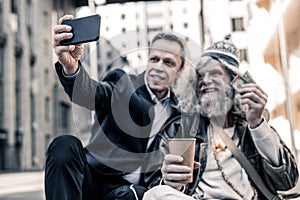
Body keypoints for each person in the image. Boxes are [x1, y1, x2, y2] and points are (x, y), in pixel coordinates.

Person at [45, 14, 188, 200]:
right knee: (64, 145)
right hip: (94, 181)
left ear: (180, 70)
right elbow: (92, 94)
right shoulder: (123, 85)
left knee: (136, 194)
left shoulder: (179, 115)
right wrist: (71, 69)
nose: (159, 67)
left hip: (134, 193)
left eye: (168, 62)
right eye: (154, 59)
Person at [143, 35, 299, 200]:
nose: (205, 81)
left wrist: (257, 123)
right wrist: (171, 183)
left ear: (234, 82)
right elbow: (153, 183)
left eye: (215, 73)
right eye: (200, 76)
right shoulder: (179, 127)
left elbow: (287, 181)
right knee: (156, 195)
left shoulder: (251, 127)